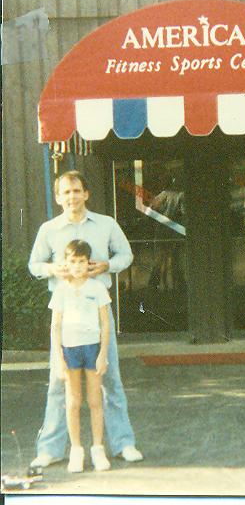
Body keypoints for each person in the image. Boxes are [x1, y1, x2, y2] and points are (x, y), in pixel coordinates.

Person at [28, 170, 143, 467]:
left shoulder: (106, 224)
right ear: (57, 197)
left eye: (77, 190)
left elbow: (126, 256)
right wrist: (55, 269)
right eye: (66, 192)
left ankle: (122, 443)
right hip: (65, 320)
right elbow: (34, 265)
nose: (72, 197)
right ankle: (51, 449)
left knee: (110, 379)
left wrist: (106, 265)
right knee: (59, 382)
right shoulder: (49, 229)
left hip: (97, 314)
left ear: (86, 193)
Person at [49, 240, 111, 472]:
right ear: (66, 263)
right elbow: (55, 325)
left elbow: (105, 324)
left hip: (92, 348)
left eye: (82, 261)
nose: (77, 266)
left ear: (88, 263)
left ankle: (97, 449)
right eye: (73, 261)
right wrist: (59, 359)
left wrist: (103, 354)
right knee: (73, 402)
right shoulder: (61, 289)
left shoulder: (96, 288)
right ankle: (76, 450)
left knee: (95, 401)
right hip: (70, 350)